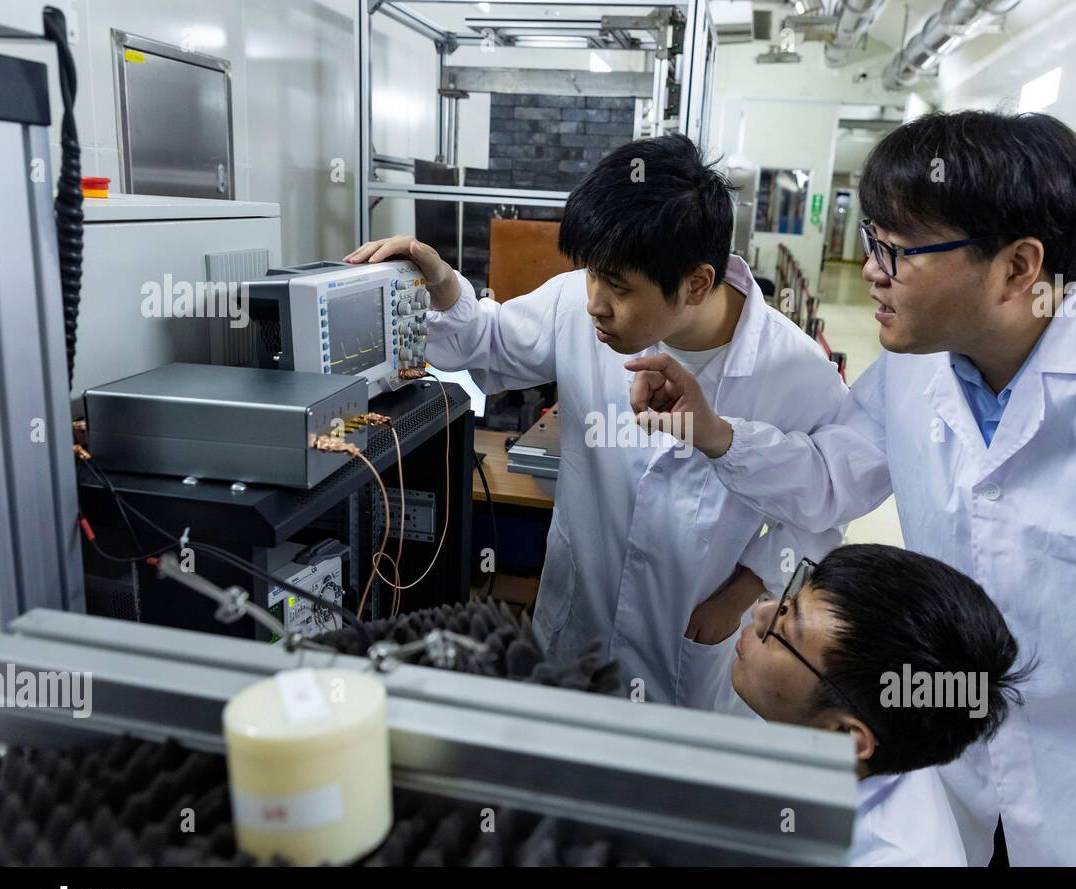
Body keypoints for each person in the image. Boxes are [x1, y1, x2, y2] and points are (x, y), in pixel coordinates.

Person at [626, 110, 1076, 865]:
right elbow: (833, 476)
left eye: (897, 250)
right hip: (967, 769)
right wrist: (715, 432)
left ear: (1018, 267)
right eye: (871, 239)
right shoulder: (924, 363)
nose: (871, 267)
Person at [345, 134, 846, 708]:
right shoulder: (572, 305)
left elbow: (828, 506)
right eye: (591, 274)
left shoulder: (793, 369)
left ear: (697, 283)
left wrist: (740, 594)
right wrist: (442, 283)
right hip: (576, 620)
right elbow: (485, 342)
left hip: (686, 643)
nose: (594, 304)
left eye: (619, 288)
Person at [730, 544, 1029, 866]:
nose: (759, 613)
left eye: (784, 630)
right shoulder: (823, 717)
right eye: (790, 596)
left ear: (846, 735)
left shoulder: (890, 857)